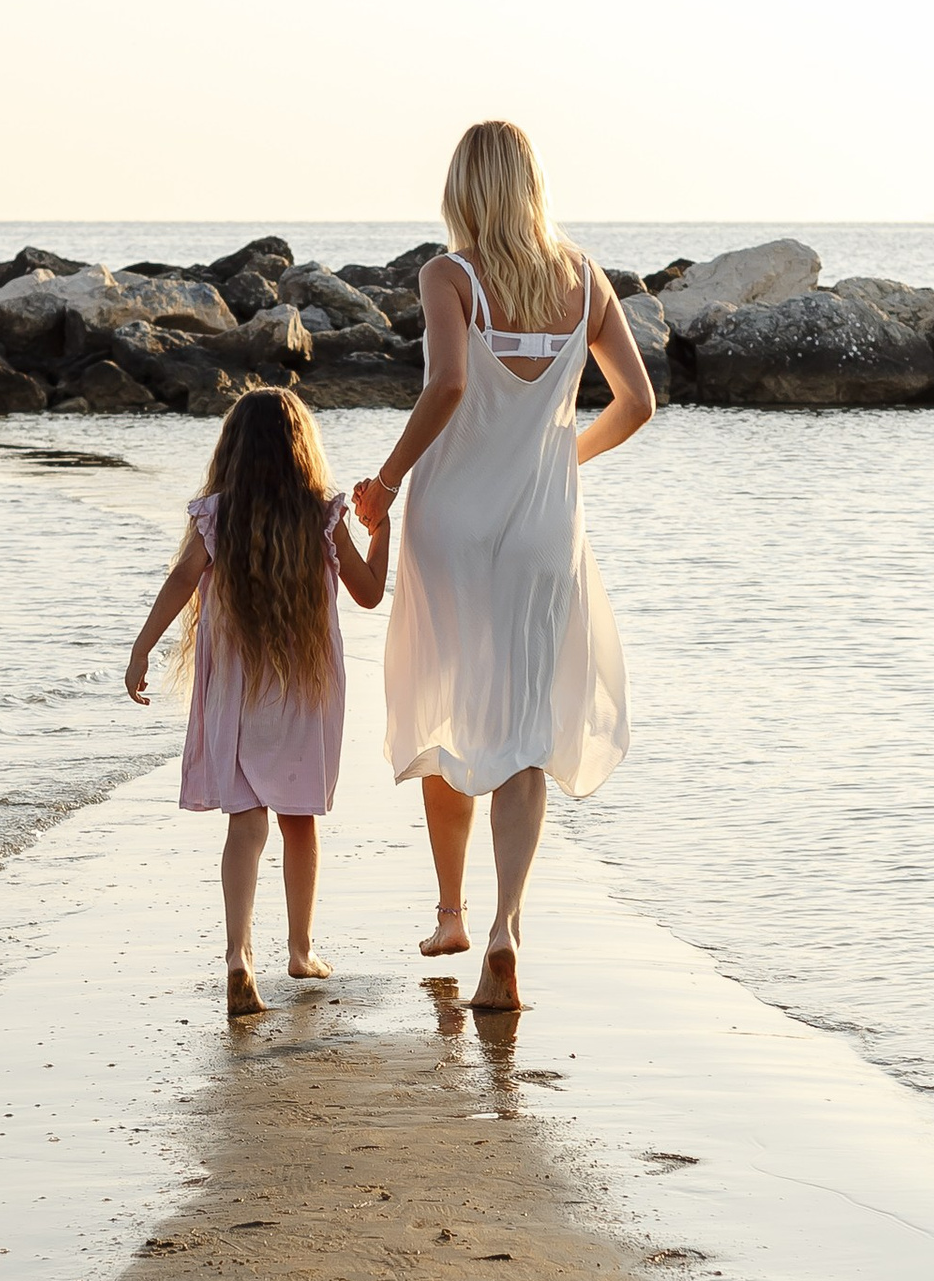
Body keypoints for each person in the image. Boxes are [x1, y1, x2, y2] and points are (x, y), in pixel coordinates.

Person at [352, 120, 654, 1014]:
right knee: (523, 730)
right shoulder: (581, 277)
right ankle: (502, 929)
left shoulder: (449, 276)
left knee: (445, 706)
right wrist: (561, 458)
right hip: (541, 534)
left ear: (463, 191)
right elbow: (637, 403)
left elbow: (446, 386)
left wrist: (389, 479)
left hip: (451, 524)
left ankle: (448, 907)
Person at [126, 384, 390, 1018]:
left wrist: (141, 650)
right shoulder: (324, 513)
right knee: (299, 820)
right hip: (303, 692)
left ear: (232, 450)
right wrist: (383, 529)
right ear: (303, 450)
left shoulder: (216, 514)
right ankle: (300, 950)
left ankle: (239, 956)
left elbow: (183, 578)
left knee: (245, 826)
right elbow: (370, 593)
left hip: (236, 698)